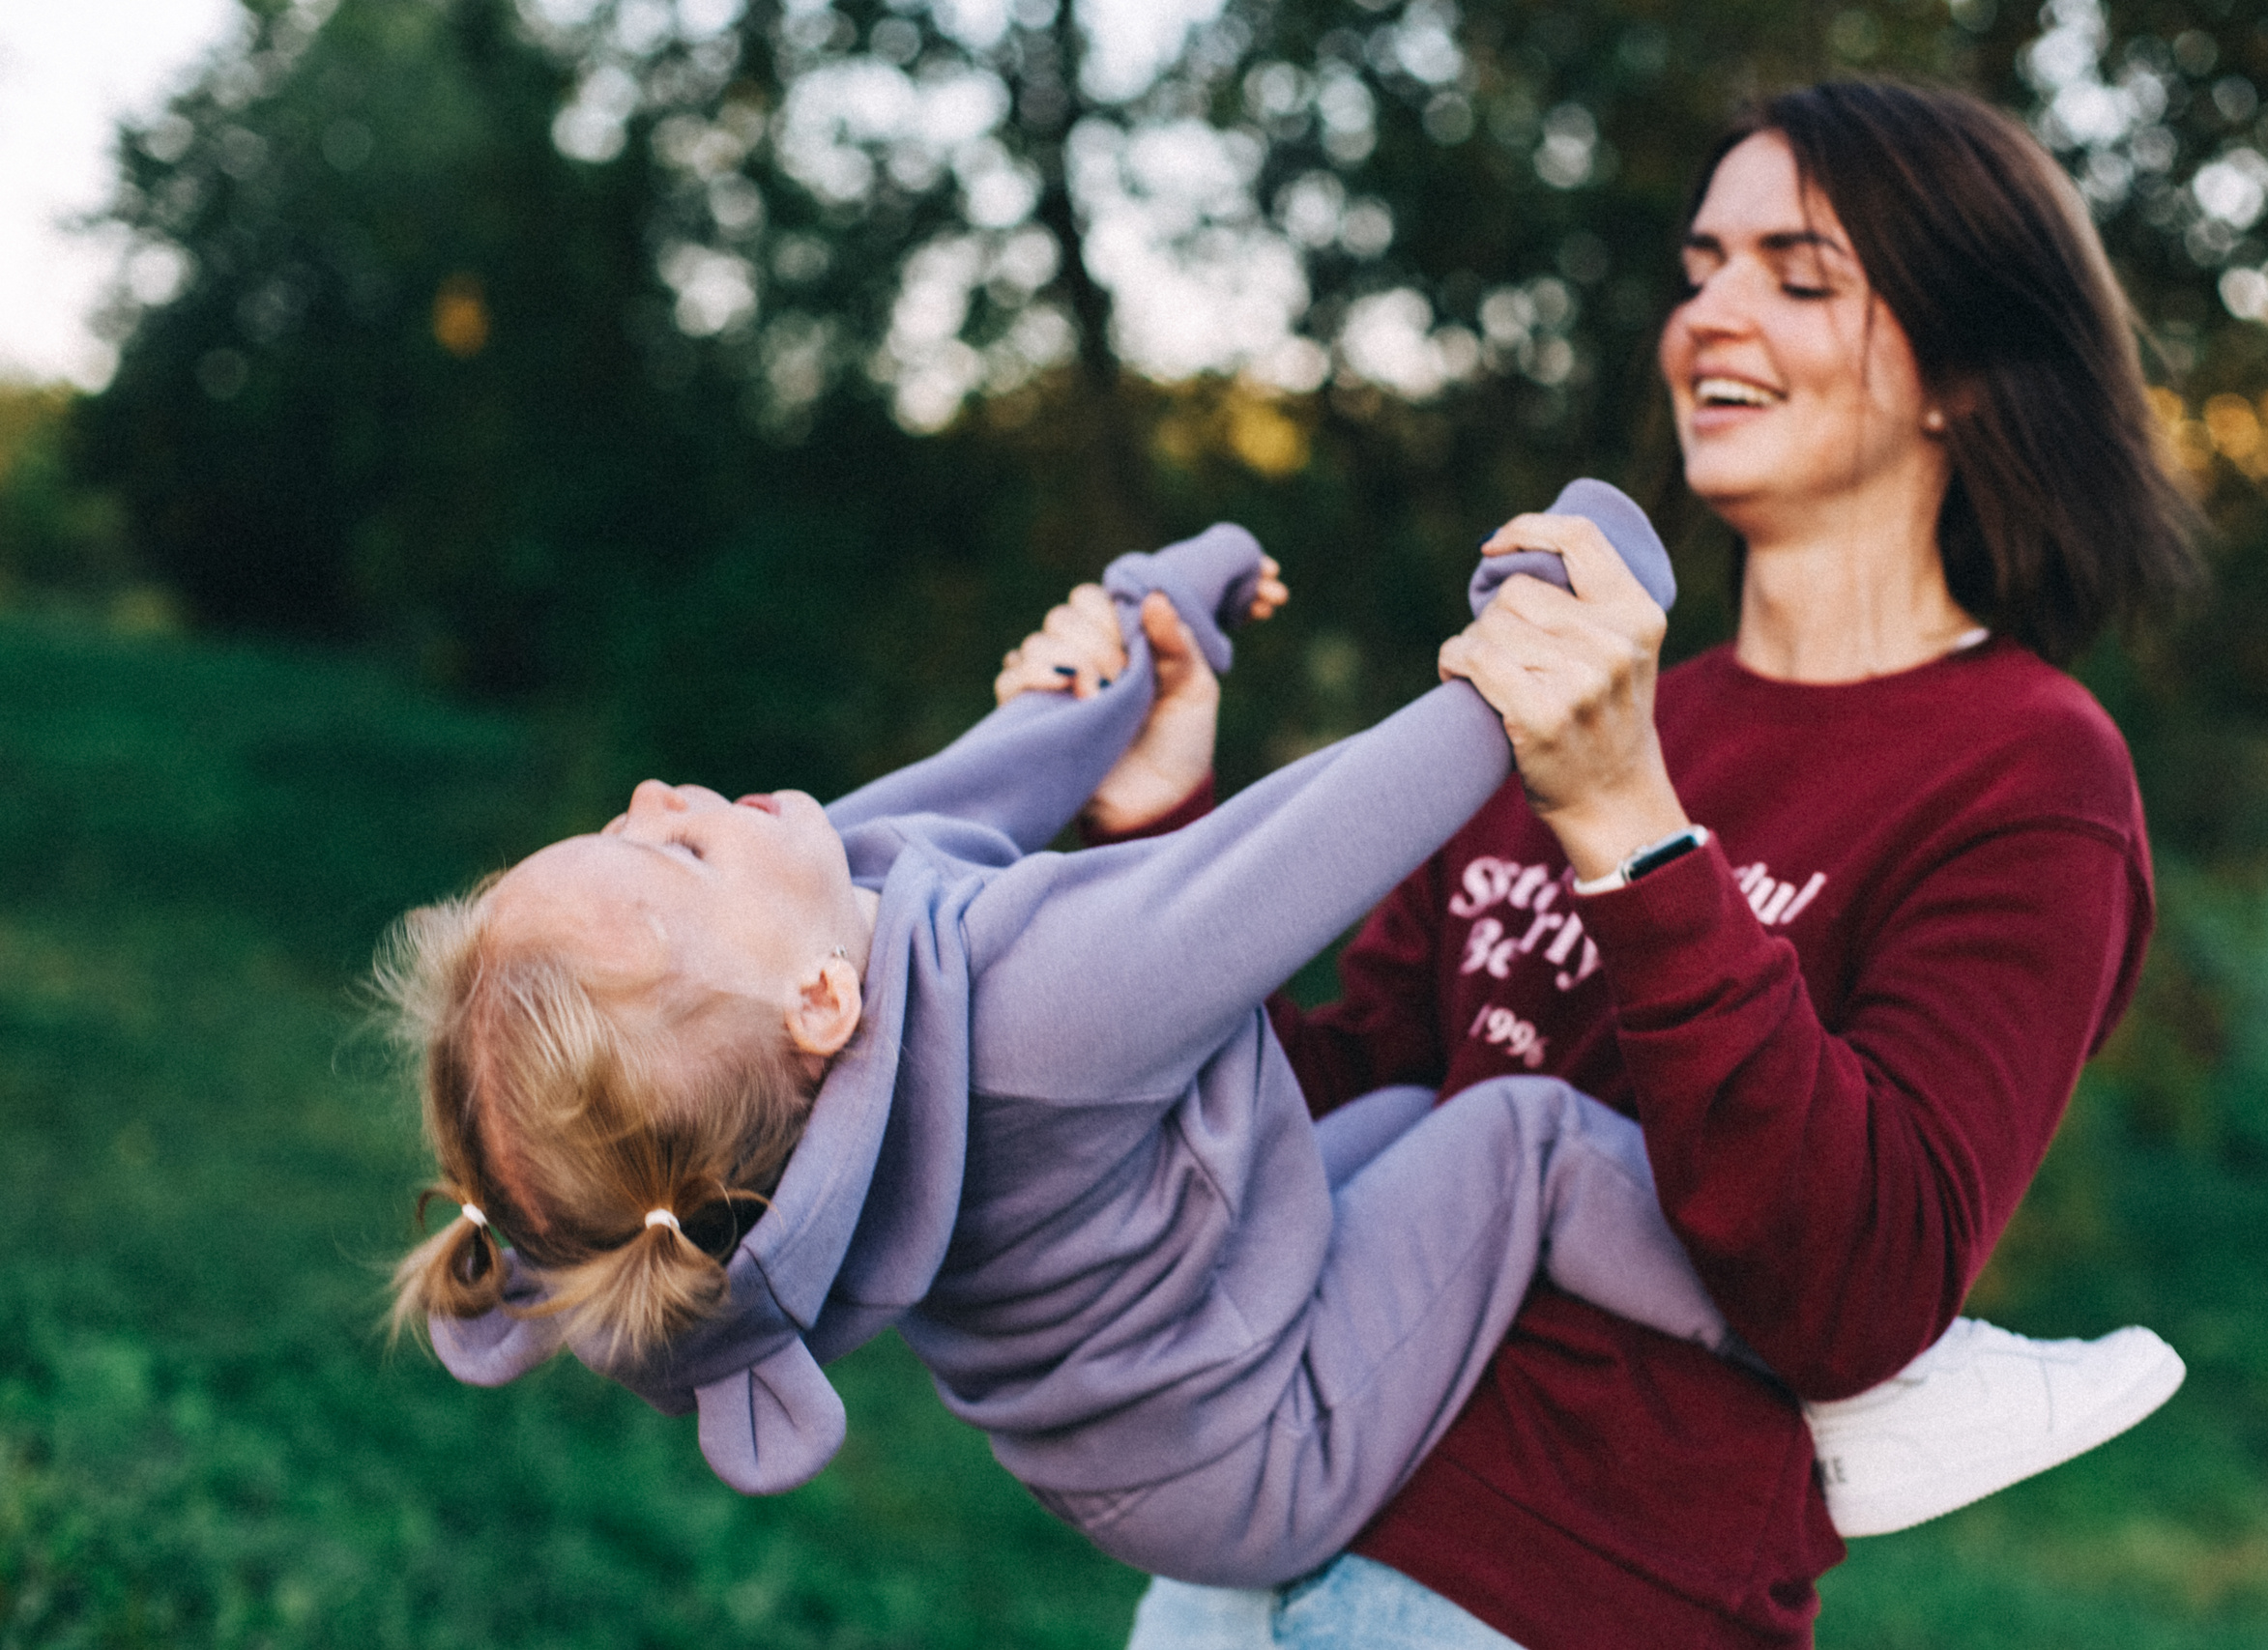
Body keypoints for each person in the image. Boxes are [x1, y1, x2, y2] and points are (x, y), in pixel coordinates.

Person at [1006, 80, 2202, 1649]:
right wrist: (1156, 818)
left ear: (1964, 373)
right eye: (1701, 265)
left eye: (1797, 273)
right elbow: (1307, 1133)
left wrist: (1632, 827)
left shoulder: (2030, 773)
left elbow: (1858, 1285)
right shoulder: (1587, 707)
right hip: (1269, 1507)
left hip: (1571, 1584)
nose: (1710, 314)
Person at [387, 492, 1777, 1582]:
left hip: (1193, 1334)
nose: (653, 794)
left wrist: (1158, 610)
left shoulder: (822, 936)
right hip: (1249, 1450)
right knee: (1517, 1136)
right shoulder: (1042, 1012)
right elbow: (1316, 838)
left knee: (1411, 1115)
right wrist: (1555, 629)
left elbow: (1007, 764)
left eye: (623, 824)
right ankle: (1805, 1356)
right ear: (816, 1005)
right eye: (669, 856)